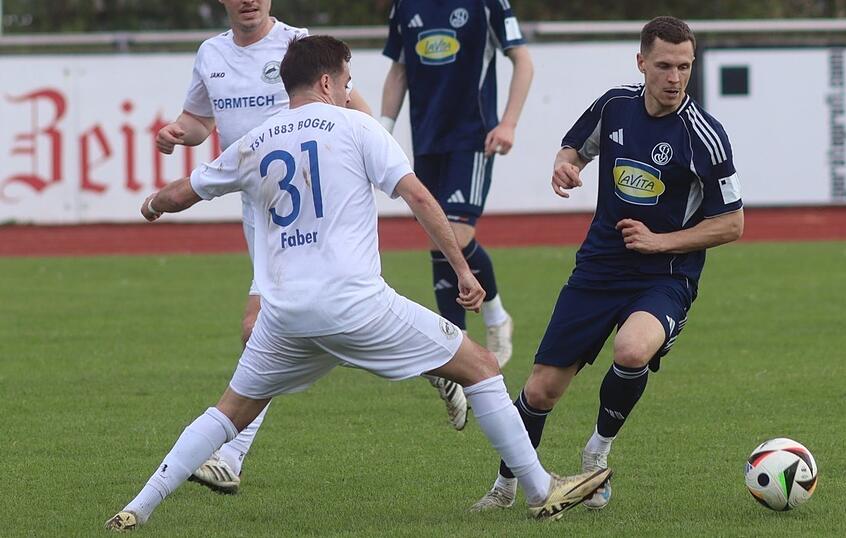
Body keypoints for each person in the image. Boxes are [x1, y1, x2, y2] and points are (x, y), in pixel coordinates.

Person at [105, 35, 610, 532]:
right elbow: (418, 198)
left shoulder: (255, 141)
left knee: (228, 412)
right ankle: (542, 490)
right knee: (480, 366)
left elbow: (180, 193)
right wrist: (461, 269)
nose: (350, 90)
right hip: (353, 303)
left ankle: (138, 507)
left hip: (284, 314)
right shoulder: (356, 127)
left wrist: (150, 206)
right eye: (348, 80)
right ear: (327, 81)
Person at [153, 0, 458, 495]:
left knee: (268, 324)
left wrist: (377, 152)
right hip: (264, 212)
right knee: (315, 320)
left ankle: (229, 455)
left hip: (312, 208)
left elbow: (346, 103)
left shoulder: (299, 44)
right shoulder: (210, 54)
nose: (249, 1)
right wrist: (177, 133)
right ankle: (436, 359)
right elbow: (199, 122)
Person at [470, 16, 745, 512]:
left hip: (665, 276)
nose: (675, 77)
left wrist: (661, 242)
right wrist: (565, 164)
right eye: (663, 65)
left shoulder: (704, 135)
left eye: (685, 66)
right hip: (598, 267)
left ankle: (597, 453)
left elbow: (732, 224)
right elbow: (573, 147)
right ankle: (505, 487)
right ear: (641, 62)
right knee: (541, 389)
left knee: (633, 349)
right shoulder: (615, 105)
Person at [379, 1, 535, 414]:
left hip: (474, 136)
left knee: (457, 233)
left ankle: (497, 318)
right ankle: (457, 362)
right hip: (427, 139)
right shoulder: (405, 6)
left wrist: (509, 123)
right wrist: (385, 129)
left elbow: (522, 60)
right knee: (438, 241)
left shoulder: (487, 4)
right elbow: (399, 69)